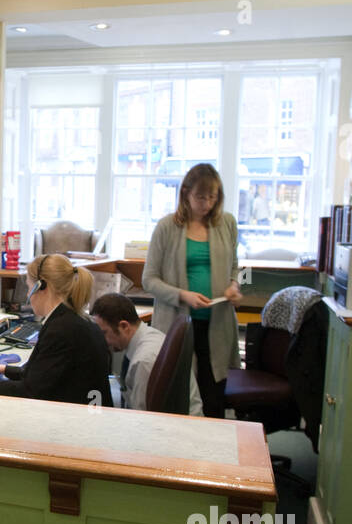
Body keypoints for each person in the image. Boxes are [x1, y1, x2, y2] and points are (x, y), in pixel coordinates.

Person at [141, 163, 242, 418]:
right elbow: (149, 280)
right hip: (177, 325)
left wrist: (234, 285)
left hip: (217, 325)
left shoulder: (227, 223)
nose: (206, 203)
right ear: (186, 193)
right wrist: (182, 295)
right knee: (180, 396)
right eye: (200, 197)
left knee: (213, 398)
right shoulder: (167, 227)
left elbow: (237, 267)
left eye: (212, 197)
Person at [0, 254, 111, 405]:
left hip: (78, 421)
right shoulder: (72, 319)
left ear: (41, 287)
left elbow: (30, 392)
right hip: (86, 411)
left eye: (30, 287)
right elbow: (45, 374)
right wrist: (2, 369)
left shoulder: (61, 329)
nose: (27, 295)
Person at [90, 292, 202, 415]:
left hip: (172, 423)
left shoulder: (144, 361)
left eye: (104, 333)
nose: (103, 340)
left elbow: (142, 416)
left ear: (124, 326)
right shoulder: (150, 335)